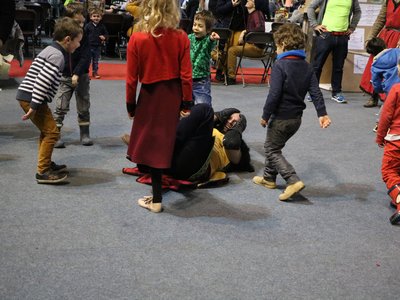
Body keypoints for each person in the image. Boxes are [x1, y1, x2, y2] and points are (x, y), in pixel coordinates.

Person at [126, 0, 193, 213]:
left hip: (149, 94)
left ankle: (156, 199)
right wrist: (186, 101)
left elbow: (130, 78)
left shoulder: (137, 38)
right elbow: (186, 75)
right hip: (172, 95)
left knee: (151, 143)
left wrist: (130, 104)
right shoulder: (181, 37)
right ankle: (156, 196)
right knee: (163, 142)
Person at [252, 23, 331, 200]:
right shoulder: (307, 66)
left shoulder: (280, 65)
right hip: (296, 120)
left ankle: (292, 180)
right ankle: (268, 178)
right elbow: (315, 92)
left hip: (280, 117)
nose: (276, 51)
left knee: (271, 149)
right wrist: (322, 113)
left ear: (284, 45)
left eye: (277, 46)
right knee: (274, 144)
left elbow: (274, 94)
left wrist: (265, 115)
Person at [16, 17, 83, 184]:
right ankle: (43, 171)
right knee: (52, 132)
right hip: (32, 98)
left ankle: (45, 163)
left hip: (32, 97)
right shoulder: (57, 55)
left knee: (47, 131)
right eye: (77, 41)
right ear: (68, 39)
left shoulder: (51, 49)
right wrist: (34, 105)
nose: (79, 45)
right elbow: (42, 82)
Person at [53, 3, 93, 148]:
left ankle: (85, 134)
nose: (81, 25)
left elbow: (86, 56)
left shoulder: (85, 34)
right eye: (77, 22)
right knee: (61, 105)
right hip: (64, 76)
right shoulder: (61, 36)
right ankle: (55, 134)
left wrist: (77, 73)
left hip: (81, 76)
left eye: (83, 21)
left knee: (83, 104)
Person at [307, 0, 361, 104]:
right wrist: (315, 25)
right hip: (325, 35)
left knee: (338, 67)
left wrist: (352, 27)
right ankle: (313, 92)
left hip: (342, 36)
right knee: (317, 66)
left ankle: (336, 92)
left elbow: (357, 12)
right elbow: (311, 7)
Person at [213, 0, 270, 82]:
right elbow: (218, 10)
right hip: (228, 27)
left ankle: (229, 75)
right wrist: (231, 4)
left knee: (231, 51)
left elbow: (258, 25)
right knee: (225, 50)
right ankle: (222, 72)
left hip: (241, 28)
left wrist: (245, 31)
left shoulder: (255, 13)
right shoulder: (255, 13)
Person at [360, 0, 400, 108]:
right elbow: (380, 20)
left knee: (393, 70)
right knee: (375, 65)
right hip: (385, 37)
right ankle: (374, 96)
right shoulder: (388, 1)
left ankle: (390, 99)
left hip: (398, 38)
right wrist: (369, 38)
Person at [375, 58, 400, 225]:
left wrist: (380, 135)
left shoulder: (396, 89)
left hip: (397, 139)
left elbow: (386, 116)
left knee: (389, 171)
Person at [225, 0, 265, 85]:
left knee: (232, 50)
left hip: (256, 47)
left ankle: (231, 77)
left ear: (254, 4)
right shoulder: (252, 14)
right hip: (252, 45)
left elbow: (260, 29)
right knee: (230, 47)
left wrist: (245, 32)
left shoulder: (257, 13)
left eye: (251, 0)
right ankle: (226, 73)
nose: (248, 0)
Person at [189, 10, 220, 105]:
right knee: (185, 107)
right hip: (187, 78)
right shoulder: (189, 37)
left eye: (200, 26)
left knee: (203, 106)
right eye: (195, 24)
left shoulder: (208, 40)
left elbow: (209, 44)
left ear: (208, 30)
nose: (196, 28)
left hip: (201, 80)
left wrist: (212, 38)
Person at [85, 8, 108, 79]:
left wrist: (104, 37)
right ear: (91, 17)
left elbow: (106, 34)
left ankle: (95, 72)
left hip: (97, 46)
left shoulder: (102, 26)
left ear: (101, 17)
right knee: (87, 61)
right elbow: (84, 35)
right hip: (89, 46)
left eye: (98, 16)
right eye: (94, 16)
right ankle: (86, 74)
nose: (96, 18)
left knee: (95, 61)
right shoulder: (88, 26)